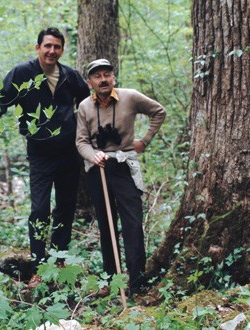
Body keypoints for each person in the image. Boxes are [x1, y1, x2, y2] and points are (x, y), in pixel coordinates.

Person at [0, 27, 90, 288]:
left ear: (62, 50)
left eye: (57, 47)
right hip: (40, 154)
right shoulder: (23, 73)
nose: (52, 51)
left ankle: (59, 261)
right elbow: (0, 101)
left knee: (65, 207)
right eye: (47, 46)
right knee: (39, 209)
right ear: (37, 47)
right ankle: (38, 267)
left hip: (69, 153)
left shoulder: (70, 76)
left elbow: (89, 105)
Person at [75, 59, 166, 296]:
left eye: (107, 74)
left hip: (125, 166)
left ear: (113, 78)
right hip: (99, 170)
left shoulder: (131, 96)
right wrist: (93, 156)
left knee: (133, 224)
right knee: (106, 226)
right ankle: (110, 281)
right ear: (90, 82)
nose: (103, 79)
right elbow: (81, 141)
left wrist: (144, 141)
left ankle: (137, 281)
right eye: (97, 76)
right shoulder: (84, 107)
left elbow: (159, 111)